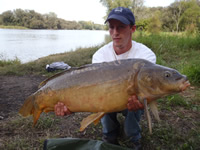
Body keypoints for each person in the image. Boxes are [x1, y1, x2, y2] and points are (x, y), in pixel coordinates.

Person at [54, 7, 156, 150]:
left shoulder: (146, 56)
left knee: (138, 97)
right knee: (103, 99)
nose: (115, 33)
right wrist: (72, 106)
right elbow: (94, 92)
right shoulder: (100, 55)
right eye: (111, 27)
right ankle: (110, 133)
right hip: (107, 96)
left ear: (132, 29)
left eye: (121, 27)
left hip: (132, 97)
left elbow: (152, 87)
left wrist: (144, 99)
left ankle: (133, 136)